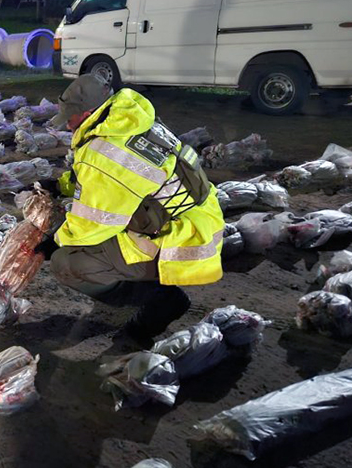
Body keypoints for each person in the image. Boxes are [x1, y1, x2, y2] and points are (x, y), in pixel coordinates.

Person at [38, 74, 225, 341]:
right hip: (197, 217)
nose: (67, 126)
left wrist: (54, 241)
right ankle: (148, 287)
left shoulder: (104, 148)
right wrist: (61, 186)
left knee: (68, 262)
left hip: (186, 239)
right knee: (84, 245)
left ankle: (163, 301)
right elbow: (113, 180)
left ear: (89, 112)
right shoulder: (126, 120)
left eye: (71, 118)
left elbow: (91, 225)